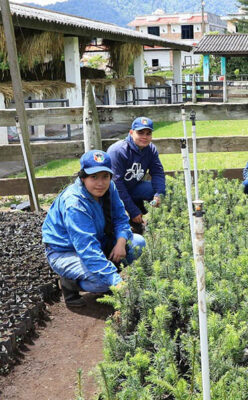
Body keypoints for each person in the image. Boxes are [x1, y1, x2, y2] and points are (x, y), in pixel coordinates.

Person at [42, 150, 146, 307]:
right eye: (94, 177)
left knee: (137, 243)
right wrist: (117, 282)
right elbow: (87, 248)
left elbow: (120, 218)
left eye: (105, 176)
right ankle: (69, 283)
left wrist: (121, 242)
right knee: (104, 283)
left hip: (98, 240)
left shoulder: (109, 188)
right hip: (66, 252)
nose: (100, 183)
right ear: (83, 177)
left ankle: (104, 271)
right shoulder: (75, 203)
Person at [106, 116, 165, 233]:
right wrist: (133, 210)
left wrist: (159, 193)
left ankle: (161, 223)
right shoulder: (118, 151)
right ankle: (124, 225)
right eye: (140, 132)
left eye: (148, 133)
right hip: (111, 193)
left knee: (161, 190)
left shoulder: (150, 149)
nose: (145, 137)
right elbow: (116, 184)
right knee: (114, 218)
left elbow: (157, 172)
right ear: (131, 133)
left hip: (133, 187)